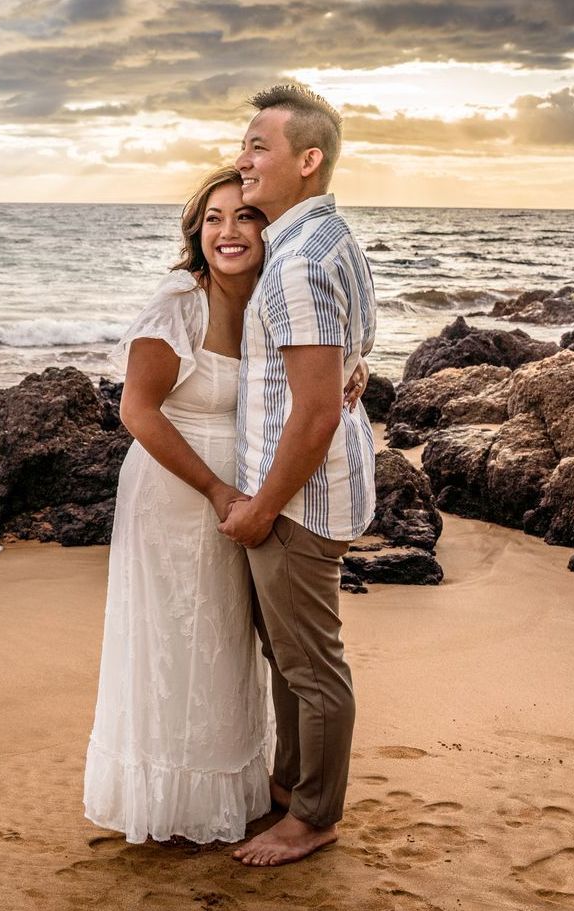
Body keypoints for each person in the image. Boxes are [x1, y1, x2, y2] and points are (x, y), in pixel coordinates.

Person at [82, 168, 275, 844]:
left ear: (267, 227)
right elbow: (137, 411)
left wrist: (354, 369)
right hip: (172, 494)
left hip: (240, 495)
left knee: (223, 638)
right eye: (214, 218)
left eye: (245, 216)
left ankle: (228, 787)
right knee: (172, 640)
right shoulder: (177, 304)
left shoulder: (267, 302)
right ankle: (171, 801)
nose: (228, 232)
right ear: (197, 231)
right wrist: (218, 489)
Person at [220, 83, 377, 867]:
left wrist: (260, 510)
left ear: (307, 160)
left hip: (301, 502)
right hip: (315, 491)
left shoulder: (295, 263)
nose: (242, 159)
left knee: (312, 667)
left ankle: (314, 816)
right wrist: (356, 369)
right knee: (291, 657)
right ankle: (289, 788)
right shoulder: (330, 241)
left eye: (259, 146)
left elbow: (313, 413)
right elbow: (355, 347)